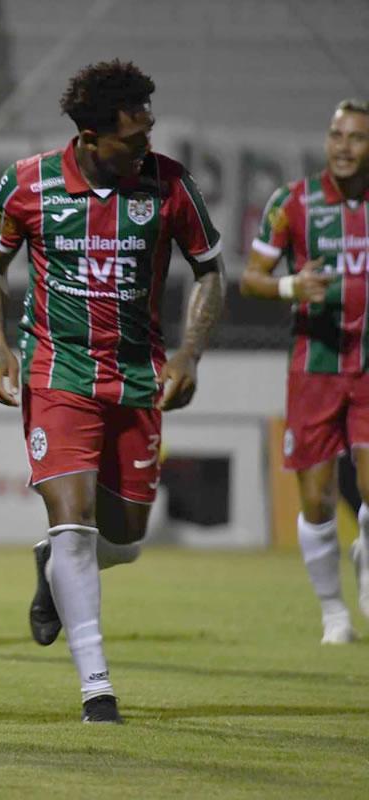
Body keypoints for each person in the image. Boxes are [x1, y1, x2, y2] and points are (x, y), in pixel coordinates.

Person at [0, 60, 225, 723]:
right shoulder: (27, 184)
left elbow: (211, 273)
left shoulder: (170, 184)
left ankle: (51, 571)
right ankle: (98, 689)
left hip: (139, 377)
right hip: (56, 372)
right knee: (75, 525)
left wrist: (191, 354)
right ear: (90, 135)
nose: (146, 149)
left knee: (126, 536)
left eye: (148, 134)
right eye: (133, 140)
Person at [239, 98, 369, 644]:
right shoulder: (292, 202)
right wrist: (294, 285)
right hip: (313, 369)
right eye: (336, 135)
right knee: (316, 500)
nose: (343, 146)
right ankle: (333, 611)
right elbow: (250, 277)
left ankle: (364, 553)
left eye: (357, 137)